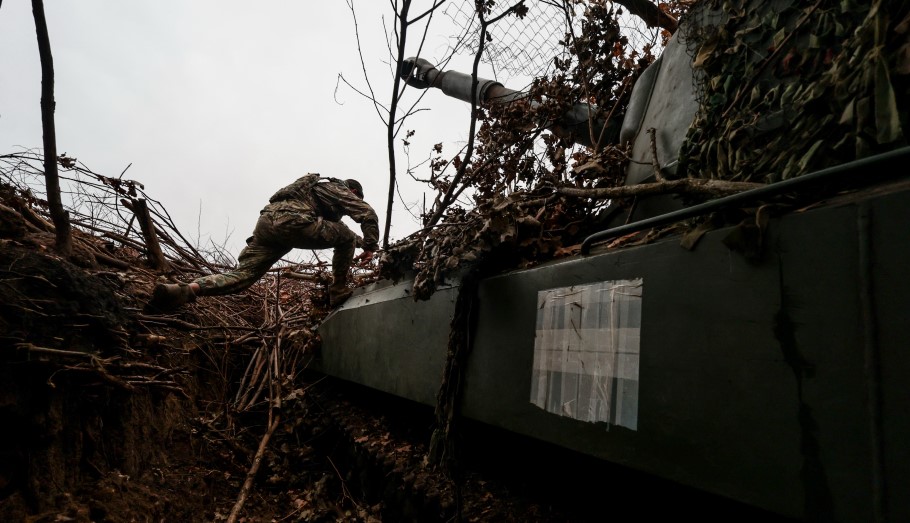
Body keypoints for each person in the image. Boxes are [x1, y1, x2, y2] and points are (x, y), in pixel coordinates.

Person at [147, 173, 379, 312]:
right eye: (354, 197)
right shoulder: (336, 188)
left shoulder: (313, 191)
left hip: (267, 225)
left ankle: (184, 290)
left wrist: (360, 243)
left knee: (243, 276)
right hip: (294, 221)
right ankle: (338, 291)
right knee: (346, 235)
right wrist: (370, 246)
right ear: (353, 190)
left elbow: (337, 233)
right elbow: (366, 214)